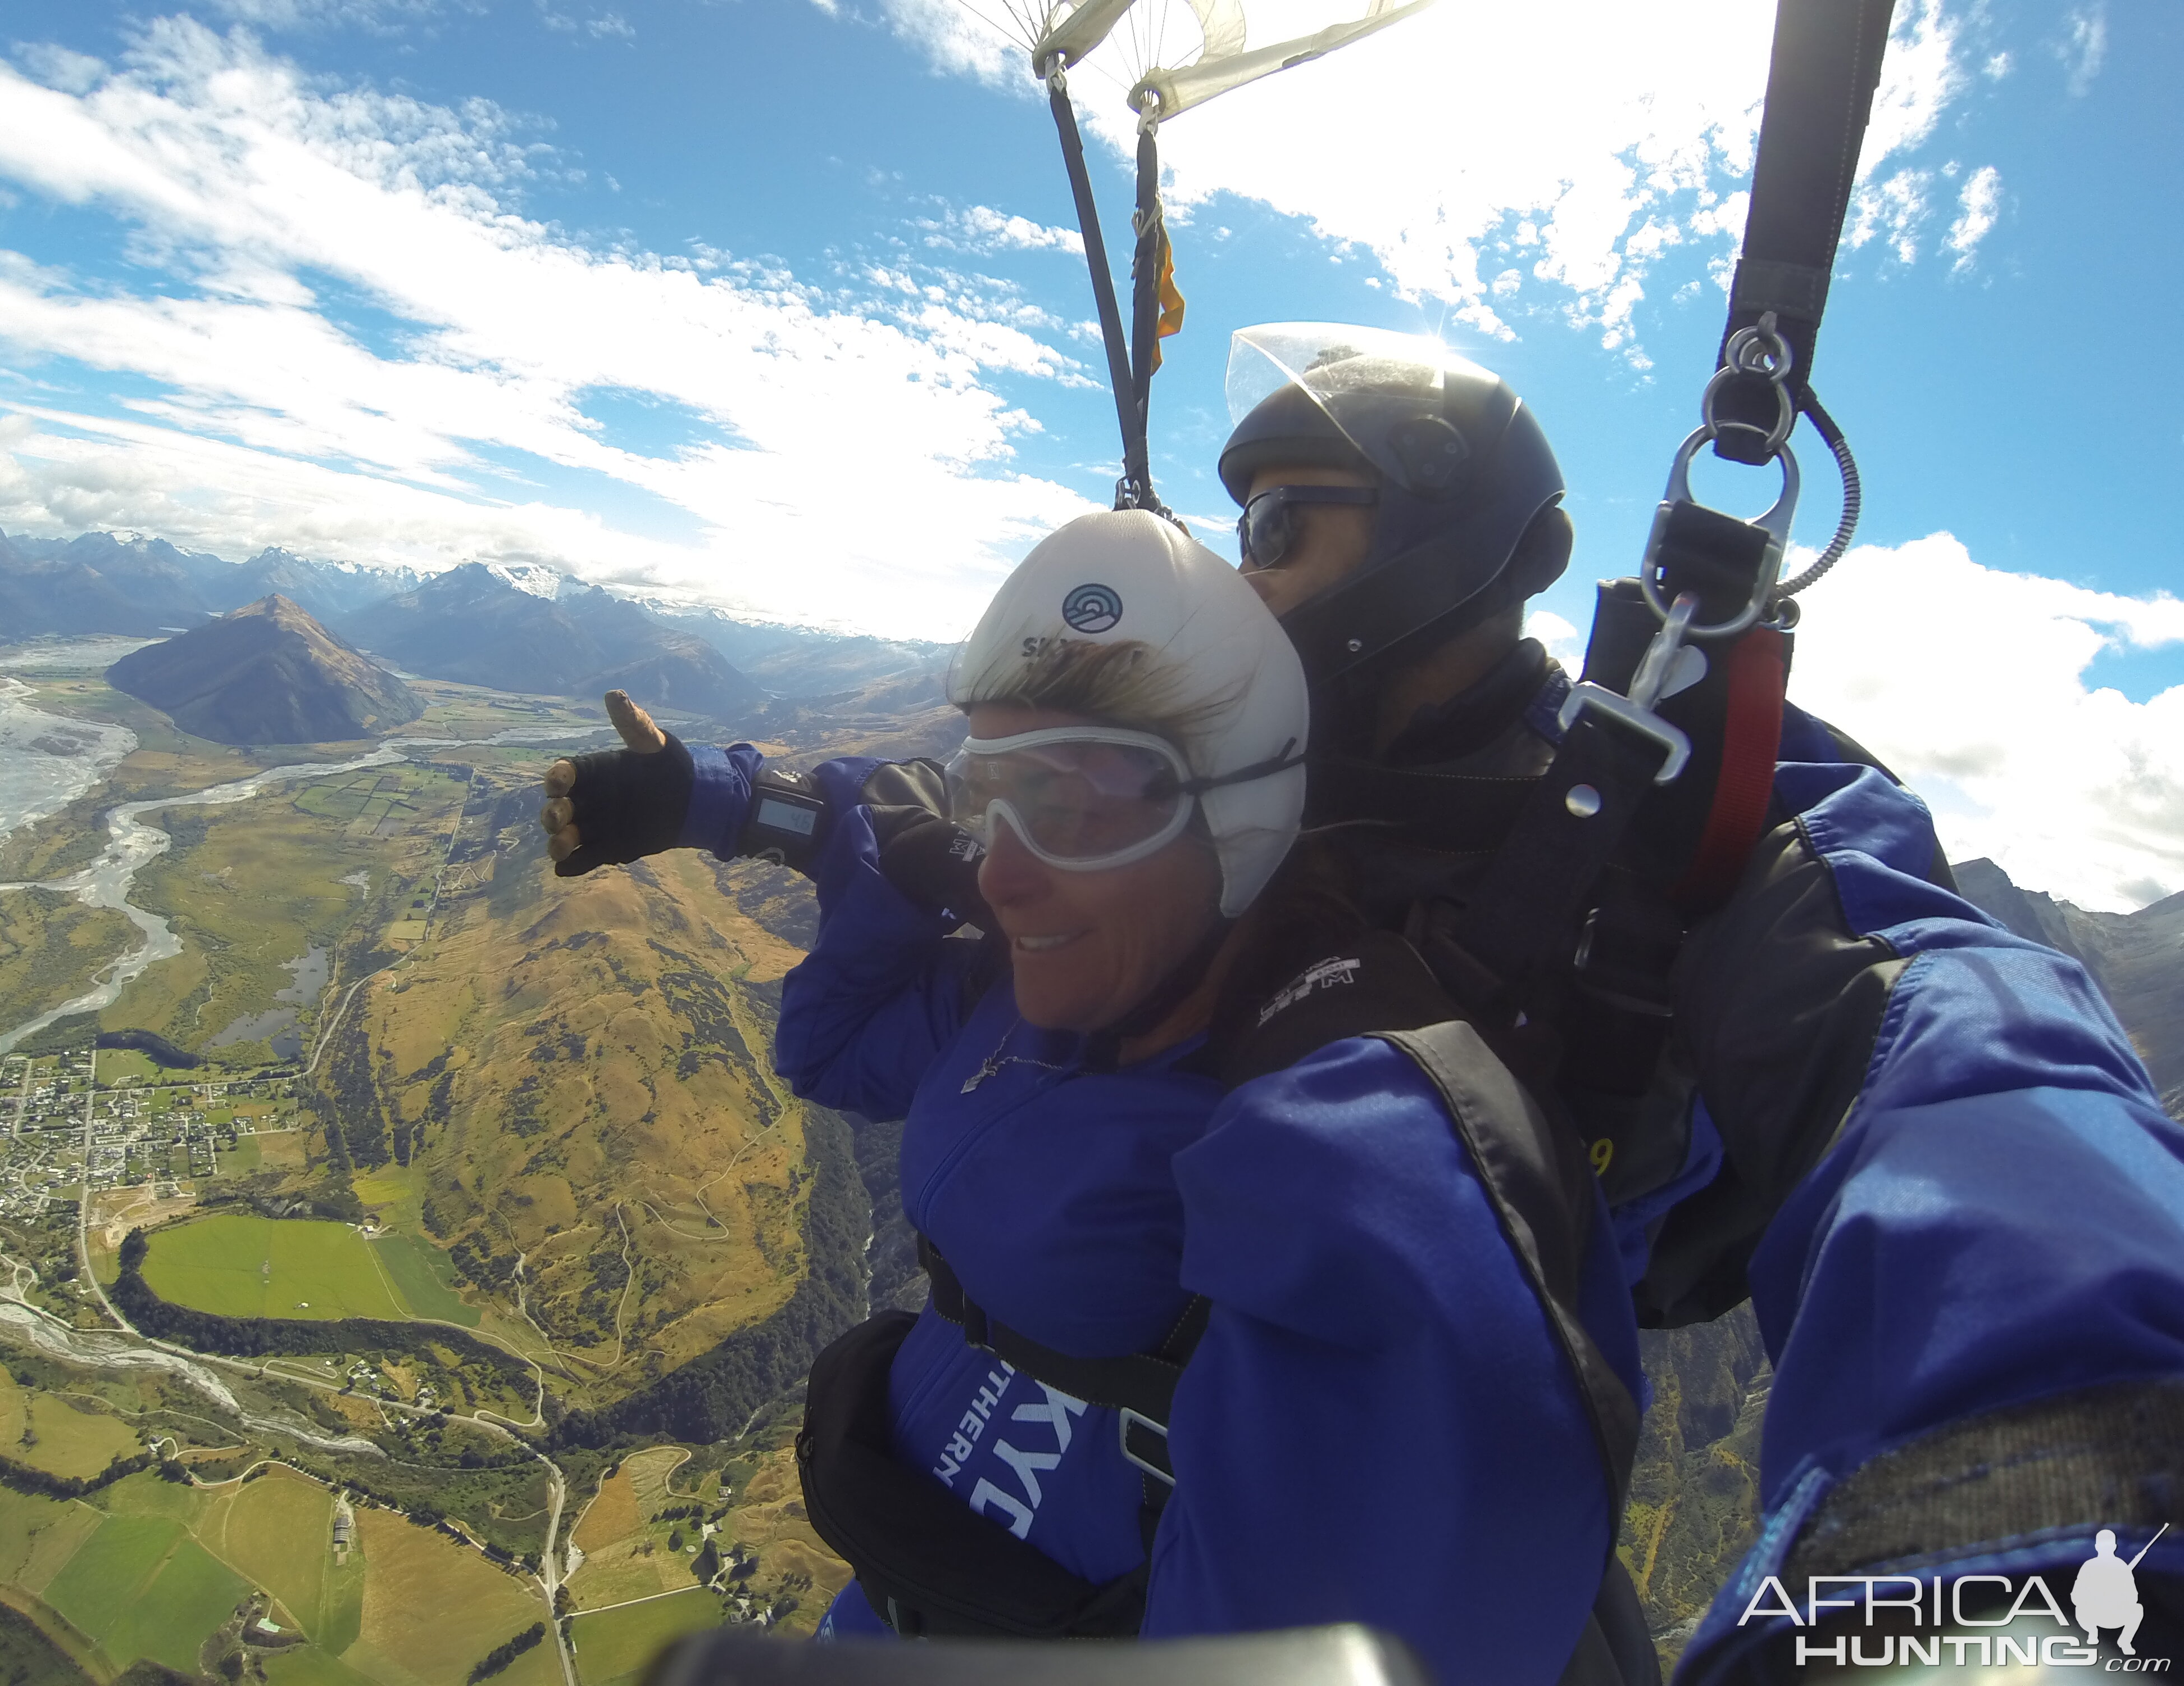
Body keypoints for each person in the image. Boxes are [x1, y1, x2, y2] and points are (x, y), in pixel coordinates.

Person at [544, 510, 1672, 1685]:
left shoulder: (1341, 1117)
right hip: (908, 1586)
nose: (999, 870)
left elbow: (1424, 1508)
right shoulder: (1042, 996)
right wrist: (721, 806)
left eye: (1075, 805)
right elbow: (846, 1013)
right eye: (995, 796)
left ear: (1235, 811)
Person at [1211, 323, 2184, 1679]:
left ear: (1434, 545)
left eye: (1271, 527)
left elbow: (1953, 1055)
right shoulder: (1234, 775)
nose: (1237, 583)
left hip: (1437, 1508)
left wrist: (2046, 1486)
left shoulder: (1675, 816)